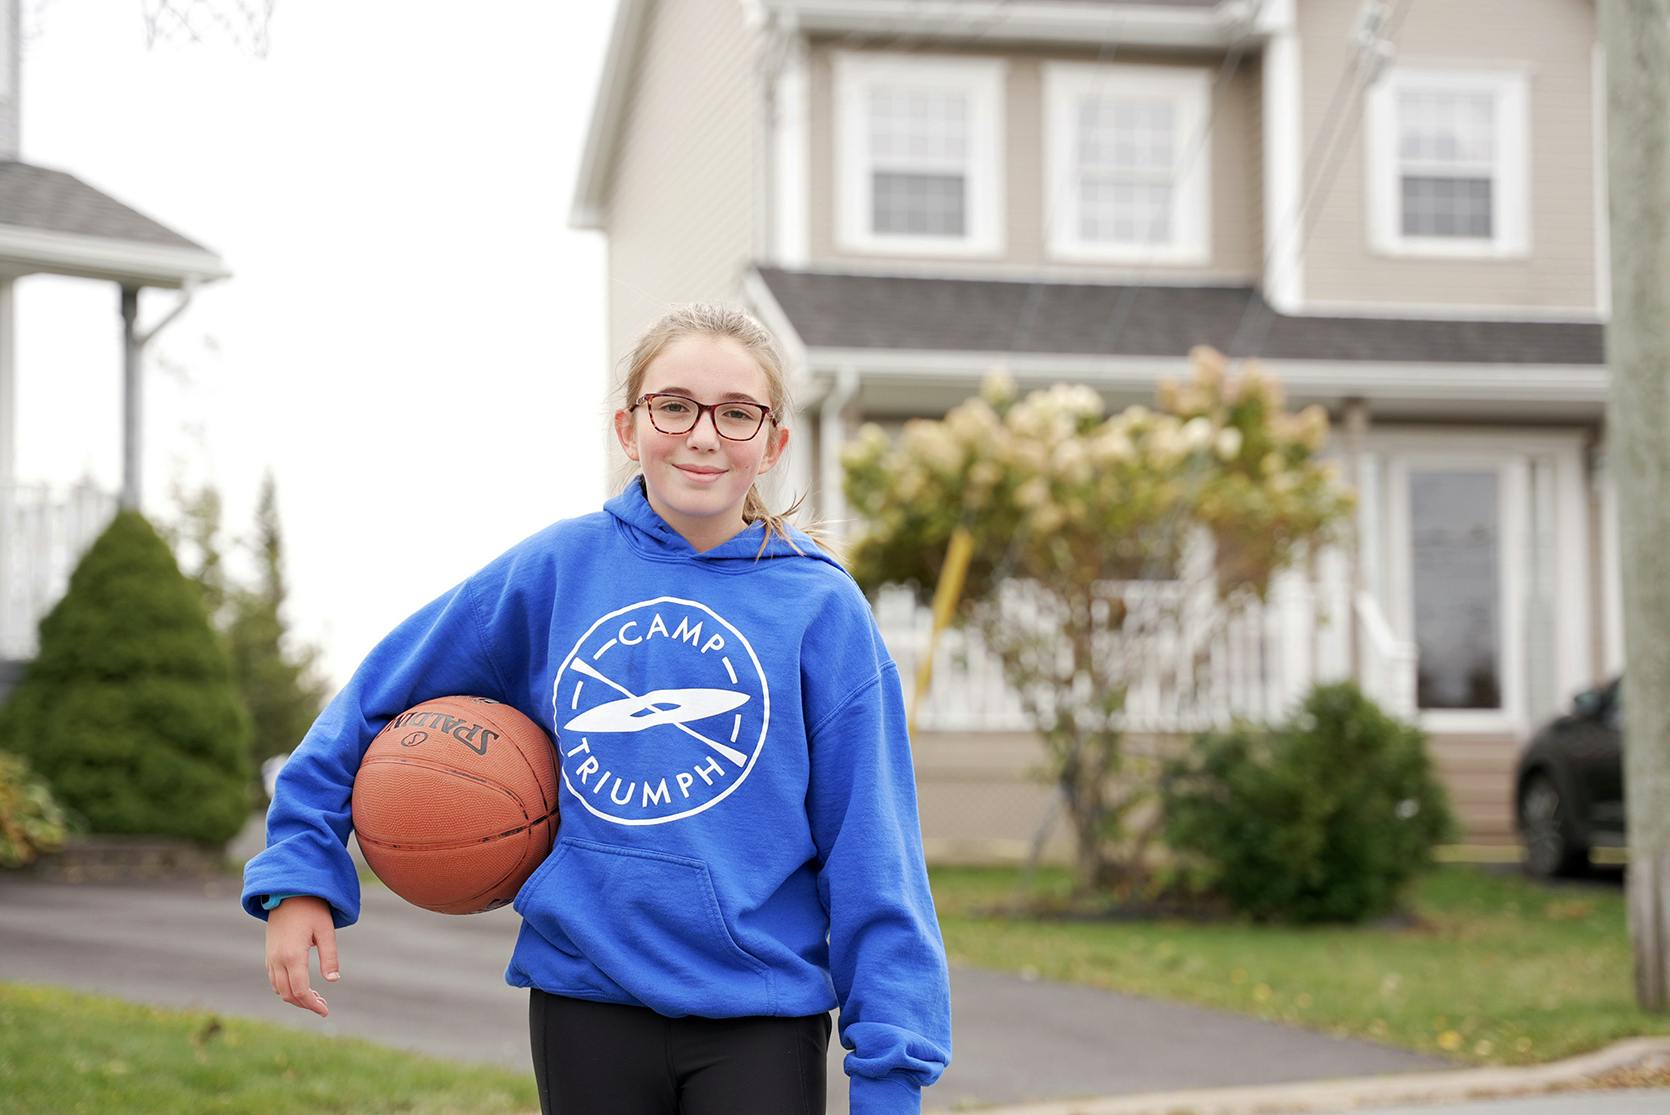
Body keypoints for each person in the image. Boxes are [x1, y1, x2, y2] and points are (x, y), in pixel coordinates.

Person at [243, 303, 953, 1114]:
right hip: (586, 998)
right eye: (674, 405)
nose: (703, 433)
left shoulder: (820, 609)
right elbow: (374, 697)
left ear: (773, 443)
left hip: (760, 1013)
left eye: (736, 413)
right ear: (629, 425)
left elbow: (874, 844)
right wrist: (301, 868)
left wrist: (891, 1067)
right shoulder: (558, 568)